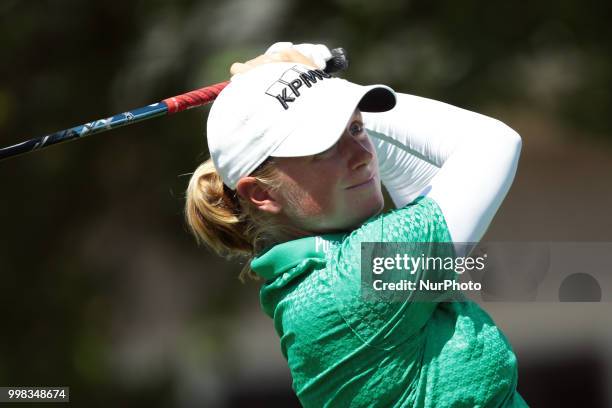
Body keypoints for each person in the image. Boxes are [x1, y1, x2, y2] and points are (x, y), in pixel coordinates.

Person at [185, 42, 528, 407]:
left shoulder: (328, 274)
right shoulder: (356, 279)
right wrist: (330, 88)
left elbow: (422, 183)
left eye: (356, 129)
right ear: (260, 194)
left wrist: (316, 92)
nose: (363, 157)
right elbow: (494, 144)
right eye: (324, 148)